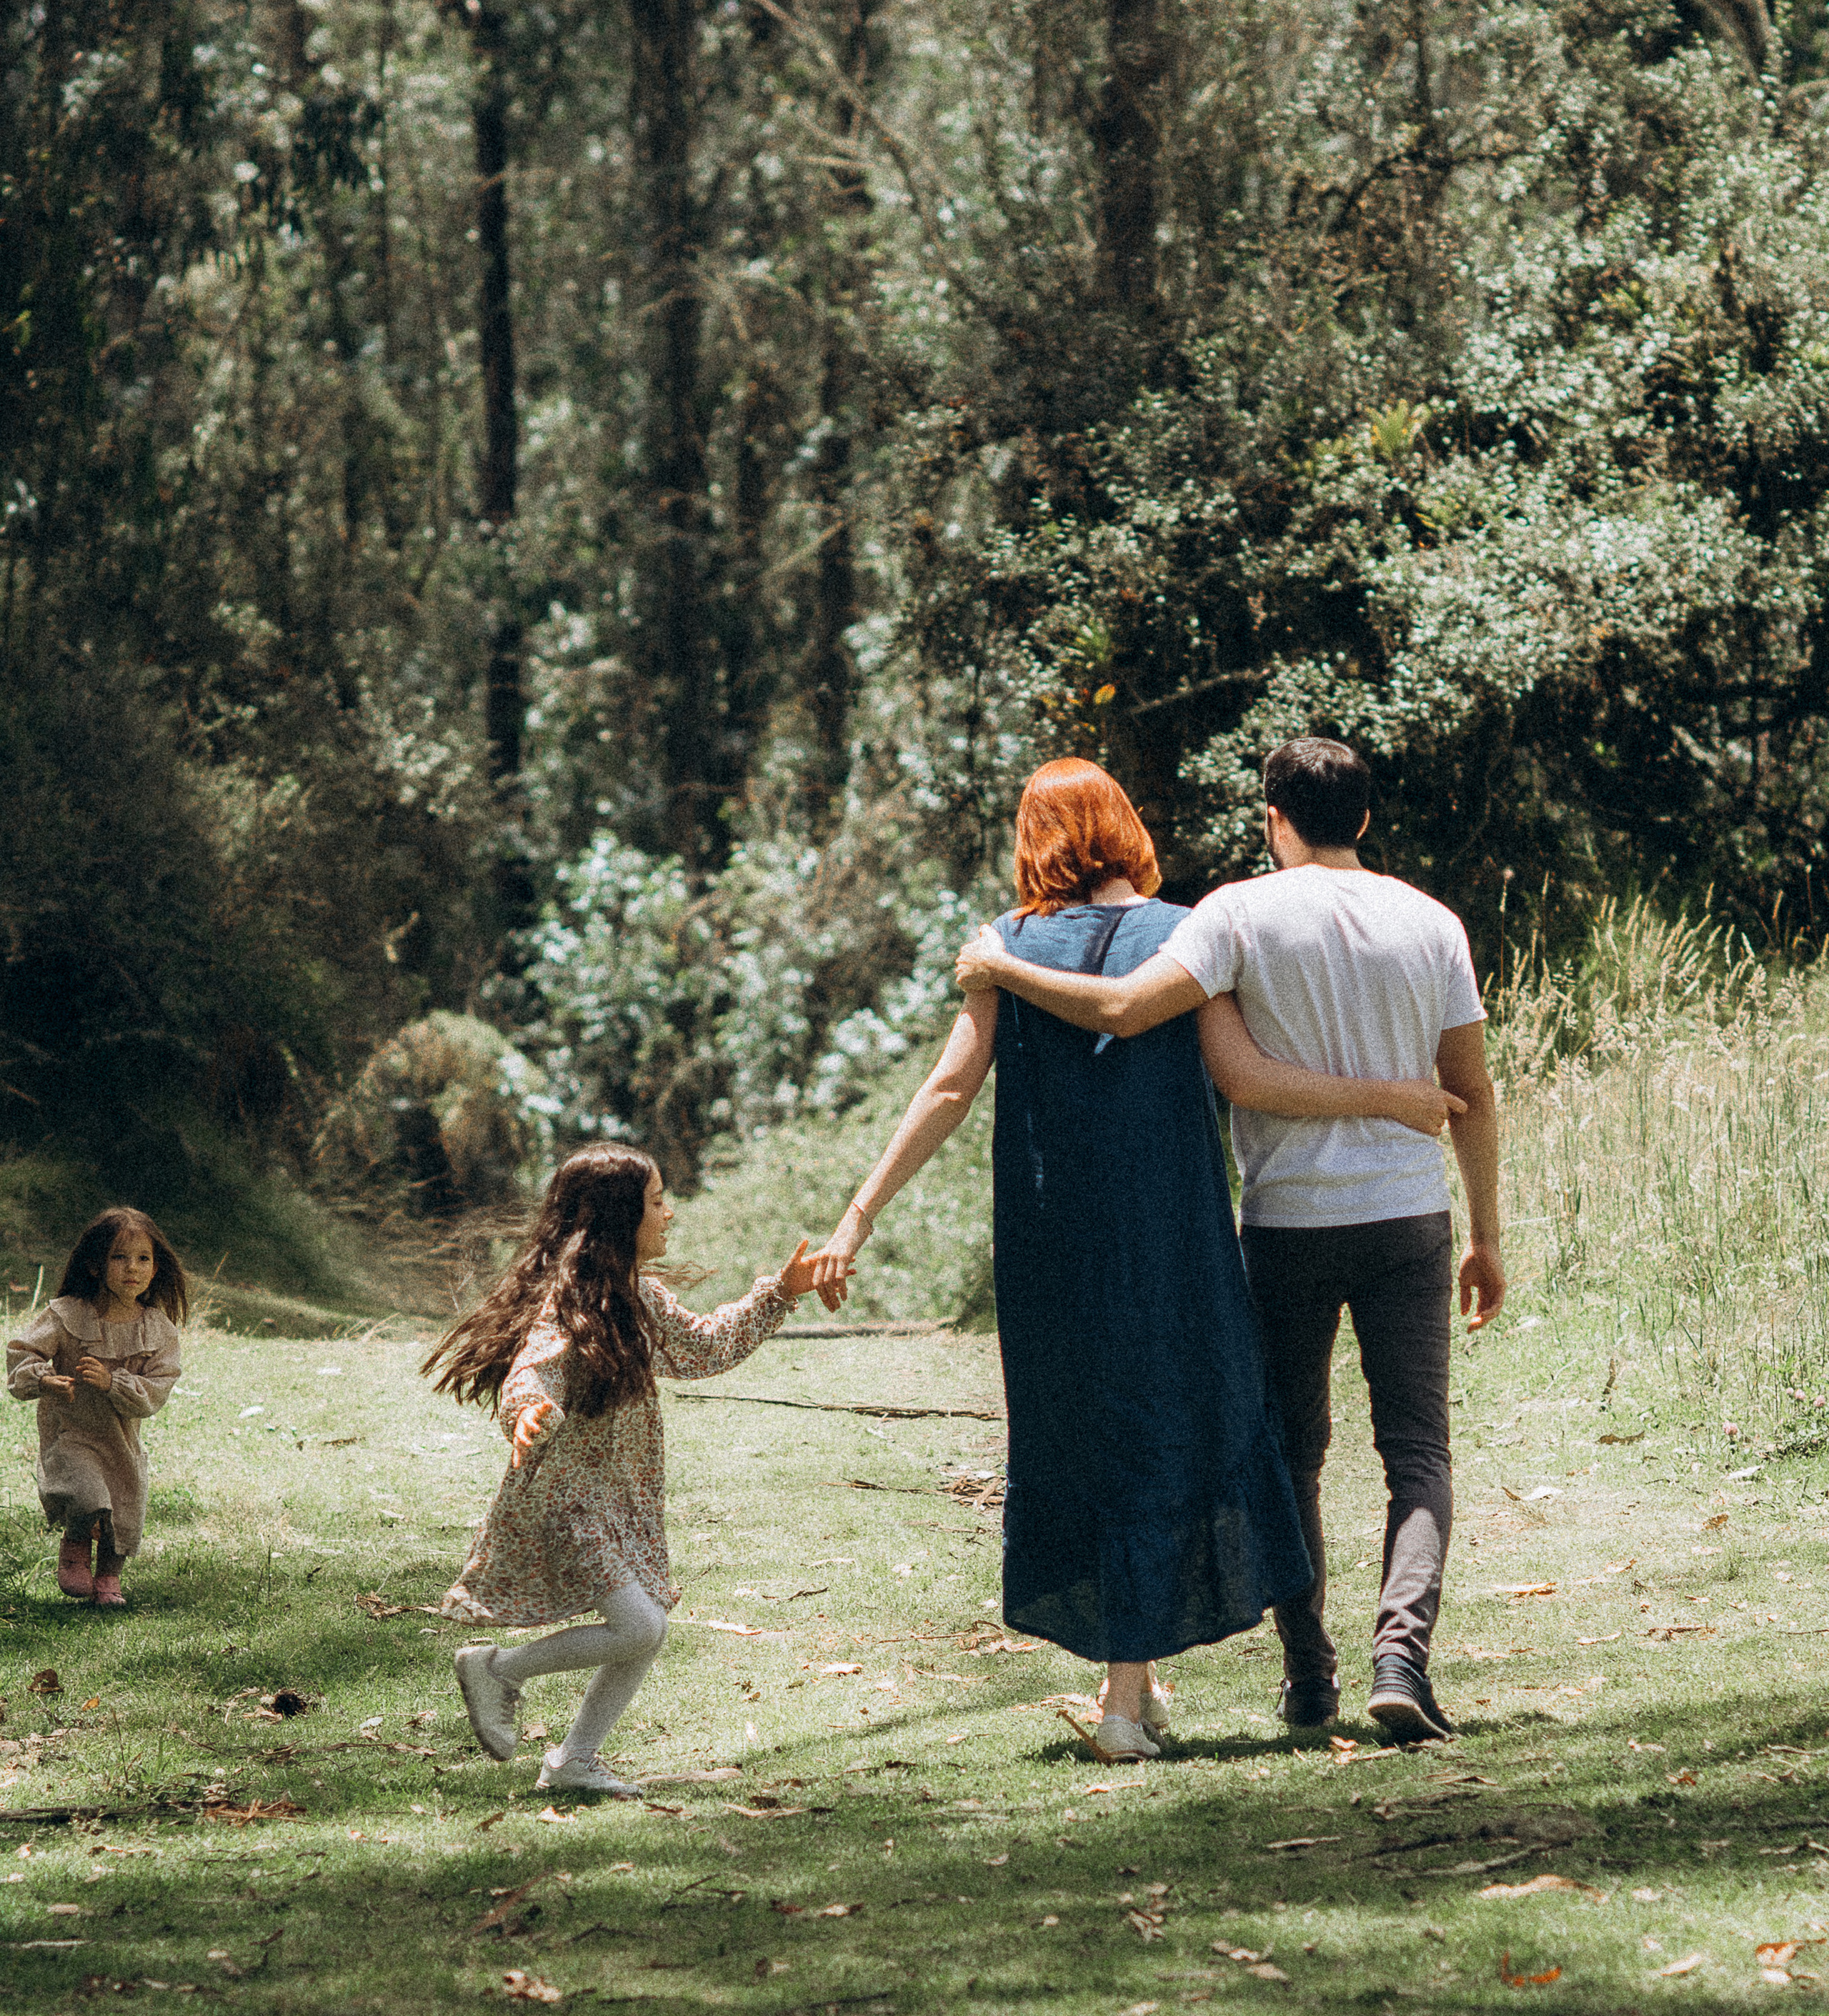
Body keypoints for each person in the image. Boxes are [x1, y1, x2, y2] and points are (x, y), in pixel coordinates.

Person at [810, 758, 1465, 1759]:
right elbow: (1239, 1072)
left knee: (1087, 1434)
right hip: (1173, 1233)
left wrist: (858, 1214)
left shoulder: (1008, 946)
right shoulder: (1188, 930)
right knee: (1163, 1430)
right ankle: (1136, 1691)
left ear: (1037, 842)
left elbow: (946, 1089)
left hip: (1052, 1236)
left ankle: (1135, 1689)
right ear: (1124, 828)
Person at [424, 1144, 836, 1795]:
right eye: (656, 1201)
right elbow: (535, 1366)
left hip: (615, 1501)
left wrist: (782, 1292)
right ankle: (499, 1671)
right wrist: (527, 1409)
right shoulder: (572, 1301)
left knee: (644, 1631)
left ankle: (573, 1762)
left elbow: (704, 1348)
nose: (669, 1214)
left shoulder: (642, 1297)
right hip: (569, 1500)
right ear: (619, 1217)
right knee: (641, 1627)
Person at [6, 1207, 188, 1608]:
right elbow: (22, 1352)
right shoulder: (67, 1314)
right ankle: (74, 1544)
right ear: (94, 1264)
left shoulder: (158, 1329)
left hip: (121, 1440)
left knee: (123, 1507)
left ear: (157, 1267)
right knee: (88, 1497)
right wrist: (43, 1378)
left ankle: (108, 1577)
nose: (132, 1269)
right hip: (72, 1433)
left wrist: (115, 1382)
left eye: (143, 1258)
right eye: (119, 1257)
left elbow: (158, 1388)